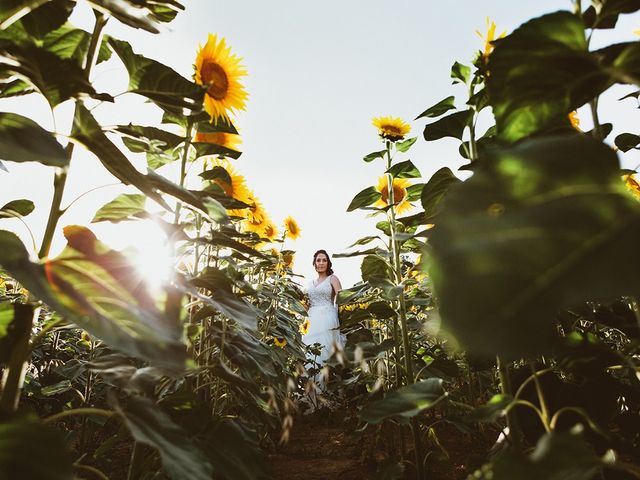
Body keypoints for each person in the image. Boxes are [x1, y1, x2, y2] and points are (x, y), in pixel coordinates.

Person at [302, 249, 345, 365]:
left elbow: (342, 298)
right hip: (311, 320)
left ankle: (326, 379)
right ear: (314, 263)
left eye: (324, 260)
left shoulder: (333, 278)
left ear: (328, 263)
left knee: (325, 350)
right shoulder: (310, 283)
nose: (321, 263)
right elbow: (307, 304)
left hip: (327, 318)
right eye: (318, 260)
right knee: (310, 350)